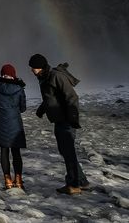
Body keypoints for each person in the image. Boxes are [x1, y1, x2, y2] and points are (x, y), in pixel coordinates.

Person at [29, 53, 88, 194]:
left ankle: (74, 185)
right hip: (59, 120)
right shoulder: (44, 77)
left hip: (66, 120)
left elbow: (72, 97)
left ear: (41, 67)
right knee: (66, 151)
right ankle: (82, 181)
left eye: (34, 67)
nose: (32, 70)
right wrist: (42, 109)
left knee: (68, 152)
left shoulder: (56, 76)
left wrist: (73, 117)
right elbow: (51, 97)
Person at [0, 63, 26, 190]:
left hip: (0, 122)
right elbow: (23, 108)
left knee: (4, 151)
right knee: (16, 152)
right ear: (13, 75)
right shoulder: (19, 88)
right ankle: (19, 179)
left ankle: (8, 180)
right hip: (15, 122)